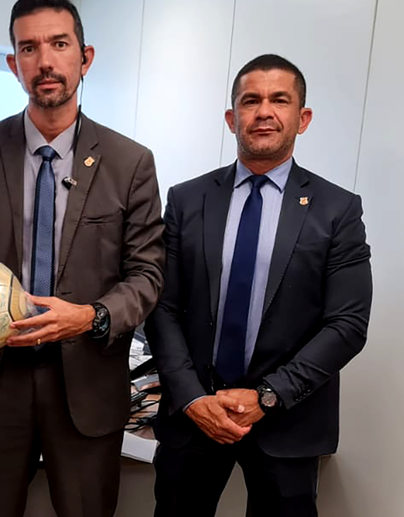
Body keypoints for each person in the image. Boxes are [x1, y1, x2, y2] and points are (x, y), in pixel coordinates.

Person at [0, 0, 165, 517]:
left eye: (59, 44)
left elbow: (147, 274)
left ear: (85, 57)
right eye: (29, 48)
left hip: (87, 383)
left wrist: (90, 316)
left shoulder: (130, 162)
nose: (45, 61)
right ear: (13, 64)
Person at [145, 54, 373, 517]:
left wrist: (268, 396)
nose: (264, 111)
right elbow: (162, 306)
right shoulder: (187, 200)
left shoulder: (337, 209)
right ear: (232, 118)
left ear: (302, 118)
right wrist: (190, 396)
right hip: (196, 415)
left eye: (279, 100)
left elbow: (347, 324)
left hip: (288, 420)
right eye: (251, 101)